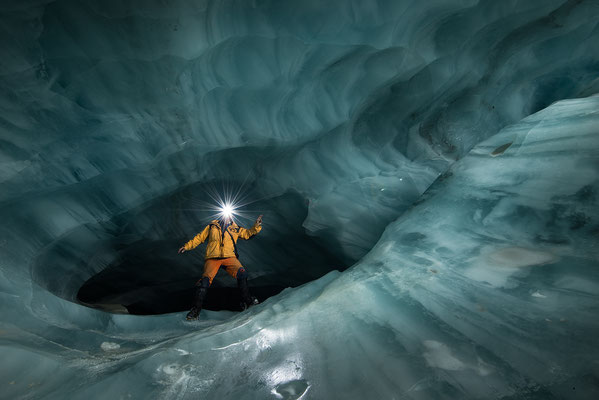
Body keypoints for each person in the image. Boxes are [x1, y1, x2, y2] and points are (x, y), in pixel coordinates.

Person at [178, 214, 263, 320]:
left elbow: (248, 234)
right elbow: (200, 238)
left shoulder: (235, 228)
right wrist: (187, 246)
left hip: (229, 257)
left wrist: (257, 225)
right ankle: (195, 311)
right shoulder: (212, 226)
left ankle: (248, 301)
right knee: (204, 282)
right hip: (212, 258)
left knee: (242, 273)